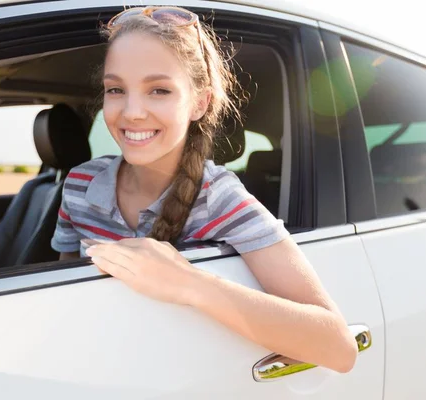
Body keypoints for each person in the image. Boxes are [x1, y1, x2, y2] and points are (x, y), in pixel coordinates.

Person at [51, 6, 357, 373]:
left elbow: (339, 347)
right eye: (116, 89)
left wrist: (188, 282)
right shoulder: (80, 184)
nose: (131, 111)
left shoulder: (221, 199)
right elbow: (63, 290)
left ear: (199, 103)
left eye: (159, 90)